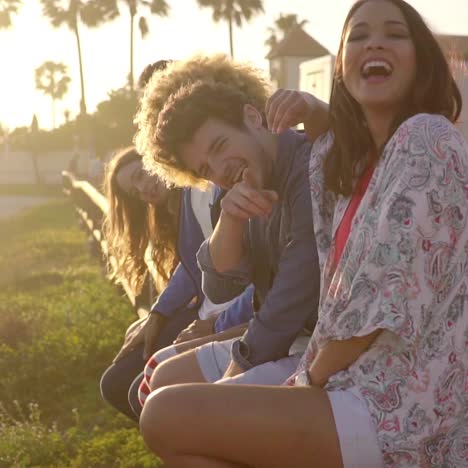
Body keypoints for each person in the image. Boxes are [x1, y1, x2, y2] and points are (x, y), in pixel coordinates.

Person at [137, 1, 467, 467]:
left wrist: (305, 380)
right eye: (357, 37)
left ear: (421, 59)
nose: (374, 42)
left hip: (401, 402)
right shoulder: (355, 161)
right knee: (165, 406)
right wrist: (314, 110)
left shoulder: (425, 139)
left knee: (166, 415)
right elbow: (224, 279)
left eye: (395, 33)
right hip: (353, 378)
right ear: (342, 67)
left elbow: (375, 306)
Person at [134, 50, 330, 397]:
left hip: (325, 345)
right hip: (290, 339)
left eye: (220, 145)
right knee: (155, 385)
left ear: (254, 117)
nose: (220, 169)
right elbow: (220, 288)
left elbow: (289, 300)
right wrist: (231, 218)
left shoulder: (305, 167)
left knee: (171, 405)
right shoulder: (243, 185)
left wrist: (232, 374)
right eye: (205, 170)